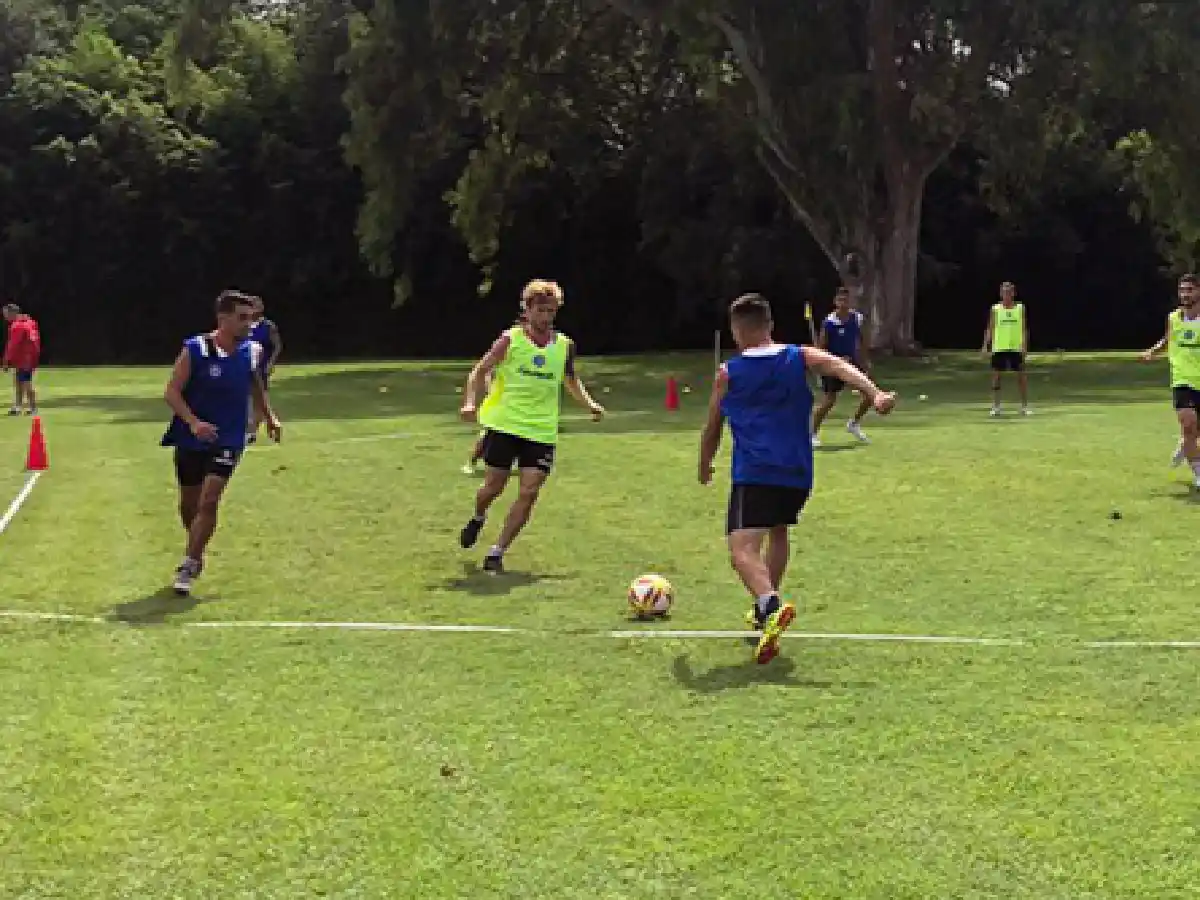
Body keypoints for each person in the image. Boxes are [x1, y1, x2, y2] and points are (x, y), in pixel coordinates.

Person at [699, 293, 896, 664]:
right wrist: (876, 394)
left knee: (741, 550)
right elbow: (840, 366)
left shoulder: (729, 372)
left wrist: (704, 462)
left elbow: (713, 426)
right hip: (798, 473)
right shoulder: (798, 356)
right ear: (770, 325)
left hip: (756, 472)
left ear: (736, 331)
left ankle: (769, 604)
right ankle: (763, 614)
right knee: (778, 531)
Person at [458, 279, 604, 573]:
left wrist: (589, 405)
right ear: (526, 309)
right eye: (540, 310)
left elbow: (571, 380)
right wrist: (470, 402)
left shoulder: (564, 346)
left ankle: (497, 551)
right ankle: (478, 515)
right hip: (505, 425)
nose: (545, 317)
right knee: (493, 487)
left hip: (541, 430)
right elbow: (480, 370)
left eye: (551, 311)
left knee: (530, 490)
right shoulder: (509, 340)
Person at [162, 290, 282, 595]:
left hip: (229, 437)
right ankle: (197, 547)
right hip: (192, 436)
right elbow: (172, 392)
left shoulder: (253, 351)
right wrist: (194, 423)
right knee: (189, 504)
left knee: (210, 499)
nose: (248, 324)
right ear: (223, 319)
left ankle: (188, 563)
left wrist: (269, 417)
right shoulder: (196, 349)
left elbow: (256, 385)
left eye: (252, 318)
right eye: (242, 318)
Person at [1142, 273, 1200, 488]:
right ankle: (1198, 473)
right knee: (1188, 424)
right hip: (1182, 380)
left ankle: (1185, 447)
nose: (1185, 294)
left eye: (1190, 290)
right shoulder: (1174, 317)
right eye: (1182, 290)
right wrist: (1152, 352)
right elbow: (1168, 339)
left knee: (1194, 432)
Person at [463, 303, 528, 475]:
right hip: (501, 396)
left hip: (519, 398)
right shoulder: (510, 340)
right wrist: (490, 389)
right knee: (491, 433)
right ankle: (472, 461)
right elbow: (486, 369)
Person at [811, 287, 872, 446]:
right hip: (833, 365)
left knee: (870, 395)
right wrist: (823, 364)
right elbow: (822, 347)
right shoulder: (829, 322)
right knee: (829, 400)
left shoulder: (857, 318)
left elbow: (862, 340)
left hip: (852, 363)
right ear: (835, 302)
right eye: (840, 300)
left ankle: (854, 424)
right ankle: (812, 434)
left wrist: (865, 362)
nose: (843, 303)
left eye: (846, 300)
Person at [981, 281, 1031, 416]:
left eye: (1009, 293)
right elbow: (990, 328)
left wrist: (1024, 345)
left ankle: (1024, 406)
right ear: (1001, 294)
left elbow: (1023, 328)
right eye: (1004, 293)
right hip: (1000, 347)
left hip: (1016, 347)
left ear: (1013, 294)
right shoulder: (996, 309)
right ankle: (996, 406)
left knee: (1021, 376)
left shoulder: (1020, 308)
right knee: (996, 377)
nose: (1006, 295)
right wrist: (986, 345)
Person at [246, 295, 283, 443]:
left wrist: (271, 363)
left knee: (259, 400)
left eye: (257, 305)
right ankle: (248, 429)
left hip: (261, 368)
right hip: (244, 367)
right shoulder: (244, 325)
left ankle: (252, 432)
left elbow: (277, 346)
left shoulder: (268, 326)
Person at [2, 303, 41, 416]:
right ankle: (18, 407)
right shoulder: (30, 322)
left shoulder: (17, 326)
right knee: (19, 381)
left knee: (26, 383)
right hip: (29, 357)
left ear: (13, 313)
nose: (5, 317)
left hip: (24, 359)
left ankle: (32, 408)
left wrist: (6, 361)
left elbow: (13, 345)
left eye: (6, 314)